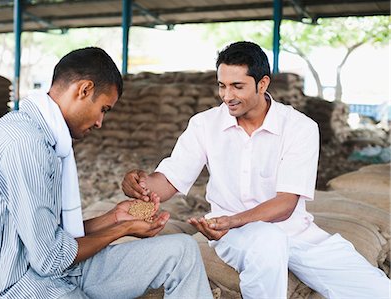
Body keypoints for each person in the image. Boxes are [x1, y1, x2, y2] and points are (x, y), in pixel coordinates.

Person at [122, 41, 391, 299]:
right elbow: (169, 181)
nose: (227, 96)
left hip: (296, 232)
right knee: (268, 242)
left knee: (377, 290)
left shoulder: (299, 127)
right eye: (222, 86)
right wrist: (141, 185)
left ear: (262, 84)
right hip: (235, 236)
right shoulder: (205, 124)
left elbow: (285, 204)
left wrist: (230, 220)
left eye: (237, 86)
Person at [0, 47, 213, 299]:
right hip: (17, 286)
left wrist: (115, 217)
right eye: (104, 109)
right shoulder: (26, 144)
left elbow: (52, 235)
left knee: (183, 251)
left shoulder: (44, 137)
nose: (101, 123)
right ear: (84, 90)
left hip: (58, 273)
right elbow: (50, 257)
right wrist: (120, 230)